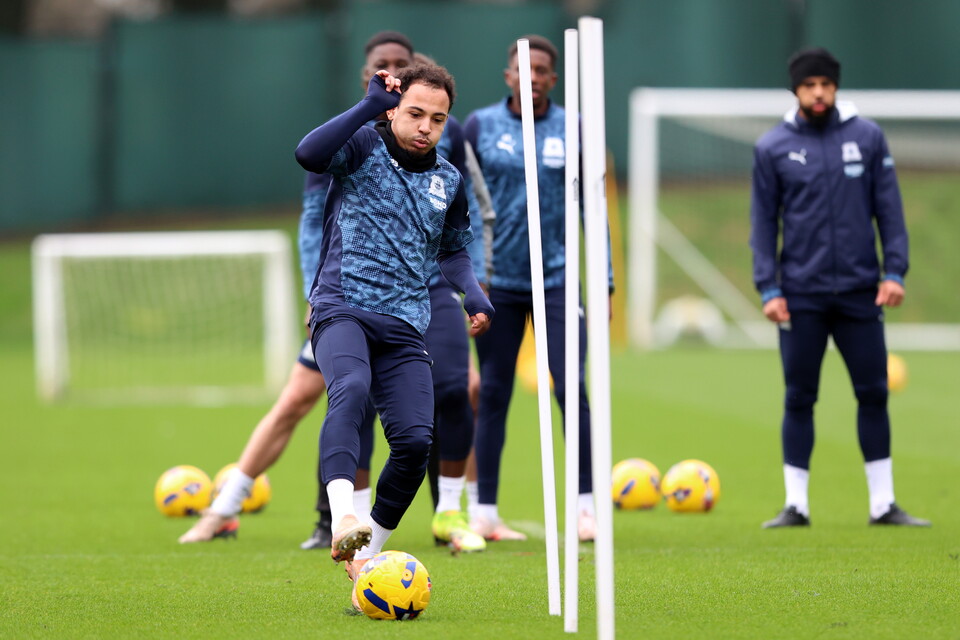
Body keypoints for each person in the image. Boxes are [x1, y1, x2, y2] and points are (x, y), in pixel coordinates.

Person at [178, 31, 414, 547]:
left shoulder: (425, 138)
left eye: (402, 62)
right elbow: (314, 221)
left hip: (397, 308)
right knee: (297, 402)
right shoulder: (346, 136)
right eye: (383, 62)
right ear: (368, 73)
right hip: (341, 302)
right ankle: (222, 510)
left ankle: (352, 529)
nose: (393, 69)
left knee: (387, 412)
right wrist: (317, 292)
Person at [295, 63, 493, 608]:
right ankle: (343, 519)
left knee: (412, 443)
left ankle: (366, 561)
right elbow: (308, 154)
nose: (426, 126)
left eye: (438, 118)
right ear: (395, 111)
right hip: (342, 309)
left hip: (407, 325)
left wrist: (471, 293)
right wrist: (366, 106)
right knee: (351, 391)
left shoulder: (448, 180)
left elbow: (452, 248)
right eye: (415, 113)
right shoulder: (360, 146)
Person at [750, 47, 930, 529]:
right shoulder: (772, 147)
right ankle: (796, 505)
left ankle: (883, 504)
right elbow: (763, 224)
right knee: (798, 396)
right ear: (796, 90)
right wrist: (769, 287)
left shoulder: (868, 138)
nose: (819, 92)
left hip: (860, 292)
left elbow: (889, 211)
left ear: (836, 86)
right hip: (800, 295)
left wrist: (895, 272)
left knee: (873, 393)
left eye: (826, 84)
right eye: (809, 85)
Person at [464, 35, 612, 543]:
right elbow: (461, 207)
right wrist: (468, 278)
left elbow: (594, 208)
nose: (532, 77)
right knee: (495, 392)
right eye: (523, 69)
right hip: (497, 283)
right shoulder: (481, 126)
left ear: (553, 77)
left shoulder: (574, 129)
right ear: (508, 75)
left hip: (557, 280)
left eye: (542, 70)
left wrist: (605, 279)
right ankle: (484, 511)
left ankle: (586, 508)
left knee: (572, 388)